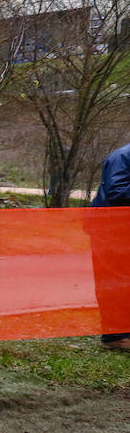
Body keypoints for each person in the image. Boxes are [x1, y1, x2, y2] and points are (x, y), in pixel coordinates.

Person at [88, 141, 130, 350]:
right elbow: (117, 192)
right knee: (114, 281)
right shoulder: (122, 157)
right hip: (109, 229)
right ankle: (115, 337)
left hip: (123, 229)